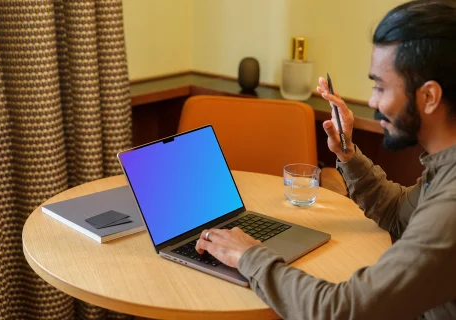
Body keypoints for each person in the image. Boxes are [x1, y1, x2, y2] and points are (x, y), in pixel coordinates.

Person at [195, 1, 456, 319]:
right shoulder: (444, 167)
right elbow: (401, 216)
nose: (372, 101)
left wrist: (249, 255)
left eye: (380, 87)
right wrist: (347, 153)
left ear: (429, 96)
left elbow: (341, 310)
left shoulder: (451, 203)